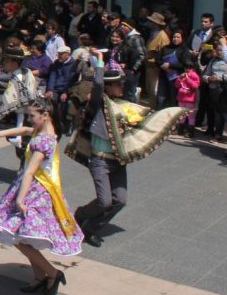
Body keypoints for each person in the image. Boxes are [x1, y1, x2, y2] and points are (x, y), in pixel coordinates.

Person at [70, 55, 184, 248]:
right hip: (100, 160)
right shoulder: (98, 104)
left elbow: (145, 118)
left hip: (118, 160)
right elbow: (98, 86)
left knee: (120, 200)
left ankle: (90, 229)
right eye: (117, 84)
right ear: (108, 87)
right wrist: (100, 61)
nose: (121, 87)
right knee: (104, 201)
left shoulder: (123, 106)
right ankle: (81, 214)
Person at [0, 98, 83, 295]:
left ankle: (52, 273)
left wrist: (20, 200)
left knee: (18, 236)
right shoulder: (43, 132)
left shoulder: (44, 142)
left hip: (35, 192)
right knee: (25, 236)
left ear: (45, 115)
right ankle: (40, 277)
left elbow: (30, 172)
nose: (29, 119)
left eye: (32, 116)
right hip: (34, 189)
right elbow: (25, 130)